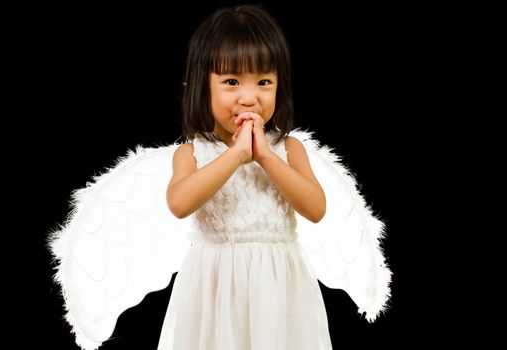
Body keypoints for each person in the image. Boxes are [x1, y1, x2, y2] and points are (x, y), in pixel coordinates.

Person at [48, 4, 391, 350]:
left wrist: (265, 157)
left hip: (278, 287)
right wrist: (237, 154)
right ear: (203, 87)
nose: (248, 97)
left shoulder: (289, 150)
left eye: (263, 82)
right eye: (231, 81)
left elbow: (316, 208)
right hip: (215, 289)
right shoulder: (193, 152)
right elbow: (180, 203)